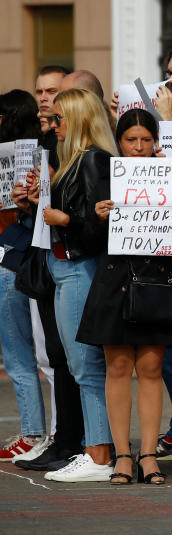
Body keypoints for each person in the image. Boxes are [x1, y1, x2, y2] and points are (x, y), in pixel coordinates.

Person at [74, 109, 172, 485]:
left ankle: (148, 456)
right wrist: (95, 216)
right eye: (131, 140)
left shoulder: (170, 178)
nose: (139, 148)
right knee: (118, 368)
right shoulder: (107, 178)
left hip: (156, 283)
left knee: (153, 369)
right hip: (114, 282)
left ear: (155, 141)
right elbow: (85, 240)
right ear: (119, 142)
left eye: (146, 140)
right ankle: (122, 455)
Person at [29, 88, 116, 482]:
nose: (54, 126)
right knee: (78, 363)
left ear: (79, 120)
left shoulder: (94, 160)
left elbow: (102, 225)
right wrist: (39, 205)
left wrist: (67, 221)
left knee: (86, 365)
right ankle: (92, 448)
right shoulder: (72, 161)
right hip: (63, 266)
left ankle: (98, 454)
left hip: (80, 267)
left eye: (60, 119)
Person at [0, 89, 47, 460]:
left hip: (12, 258)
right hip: (25, 255)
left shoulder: (22, 158)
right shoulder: (36, 154)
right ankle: (37, 431)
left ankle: (32, 432)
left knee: (18, 351)